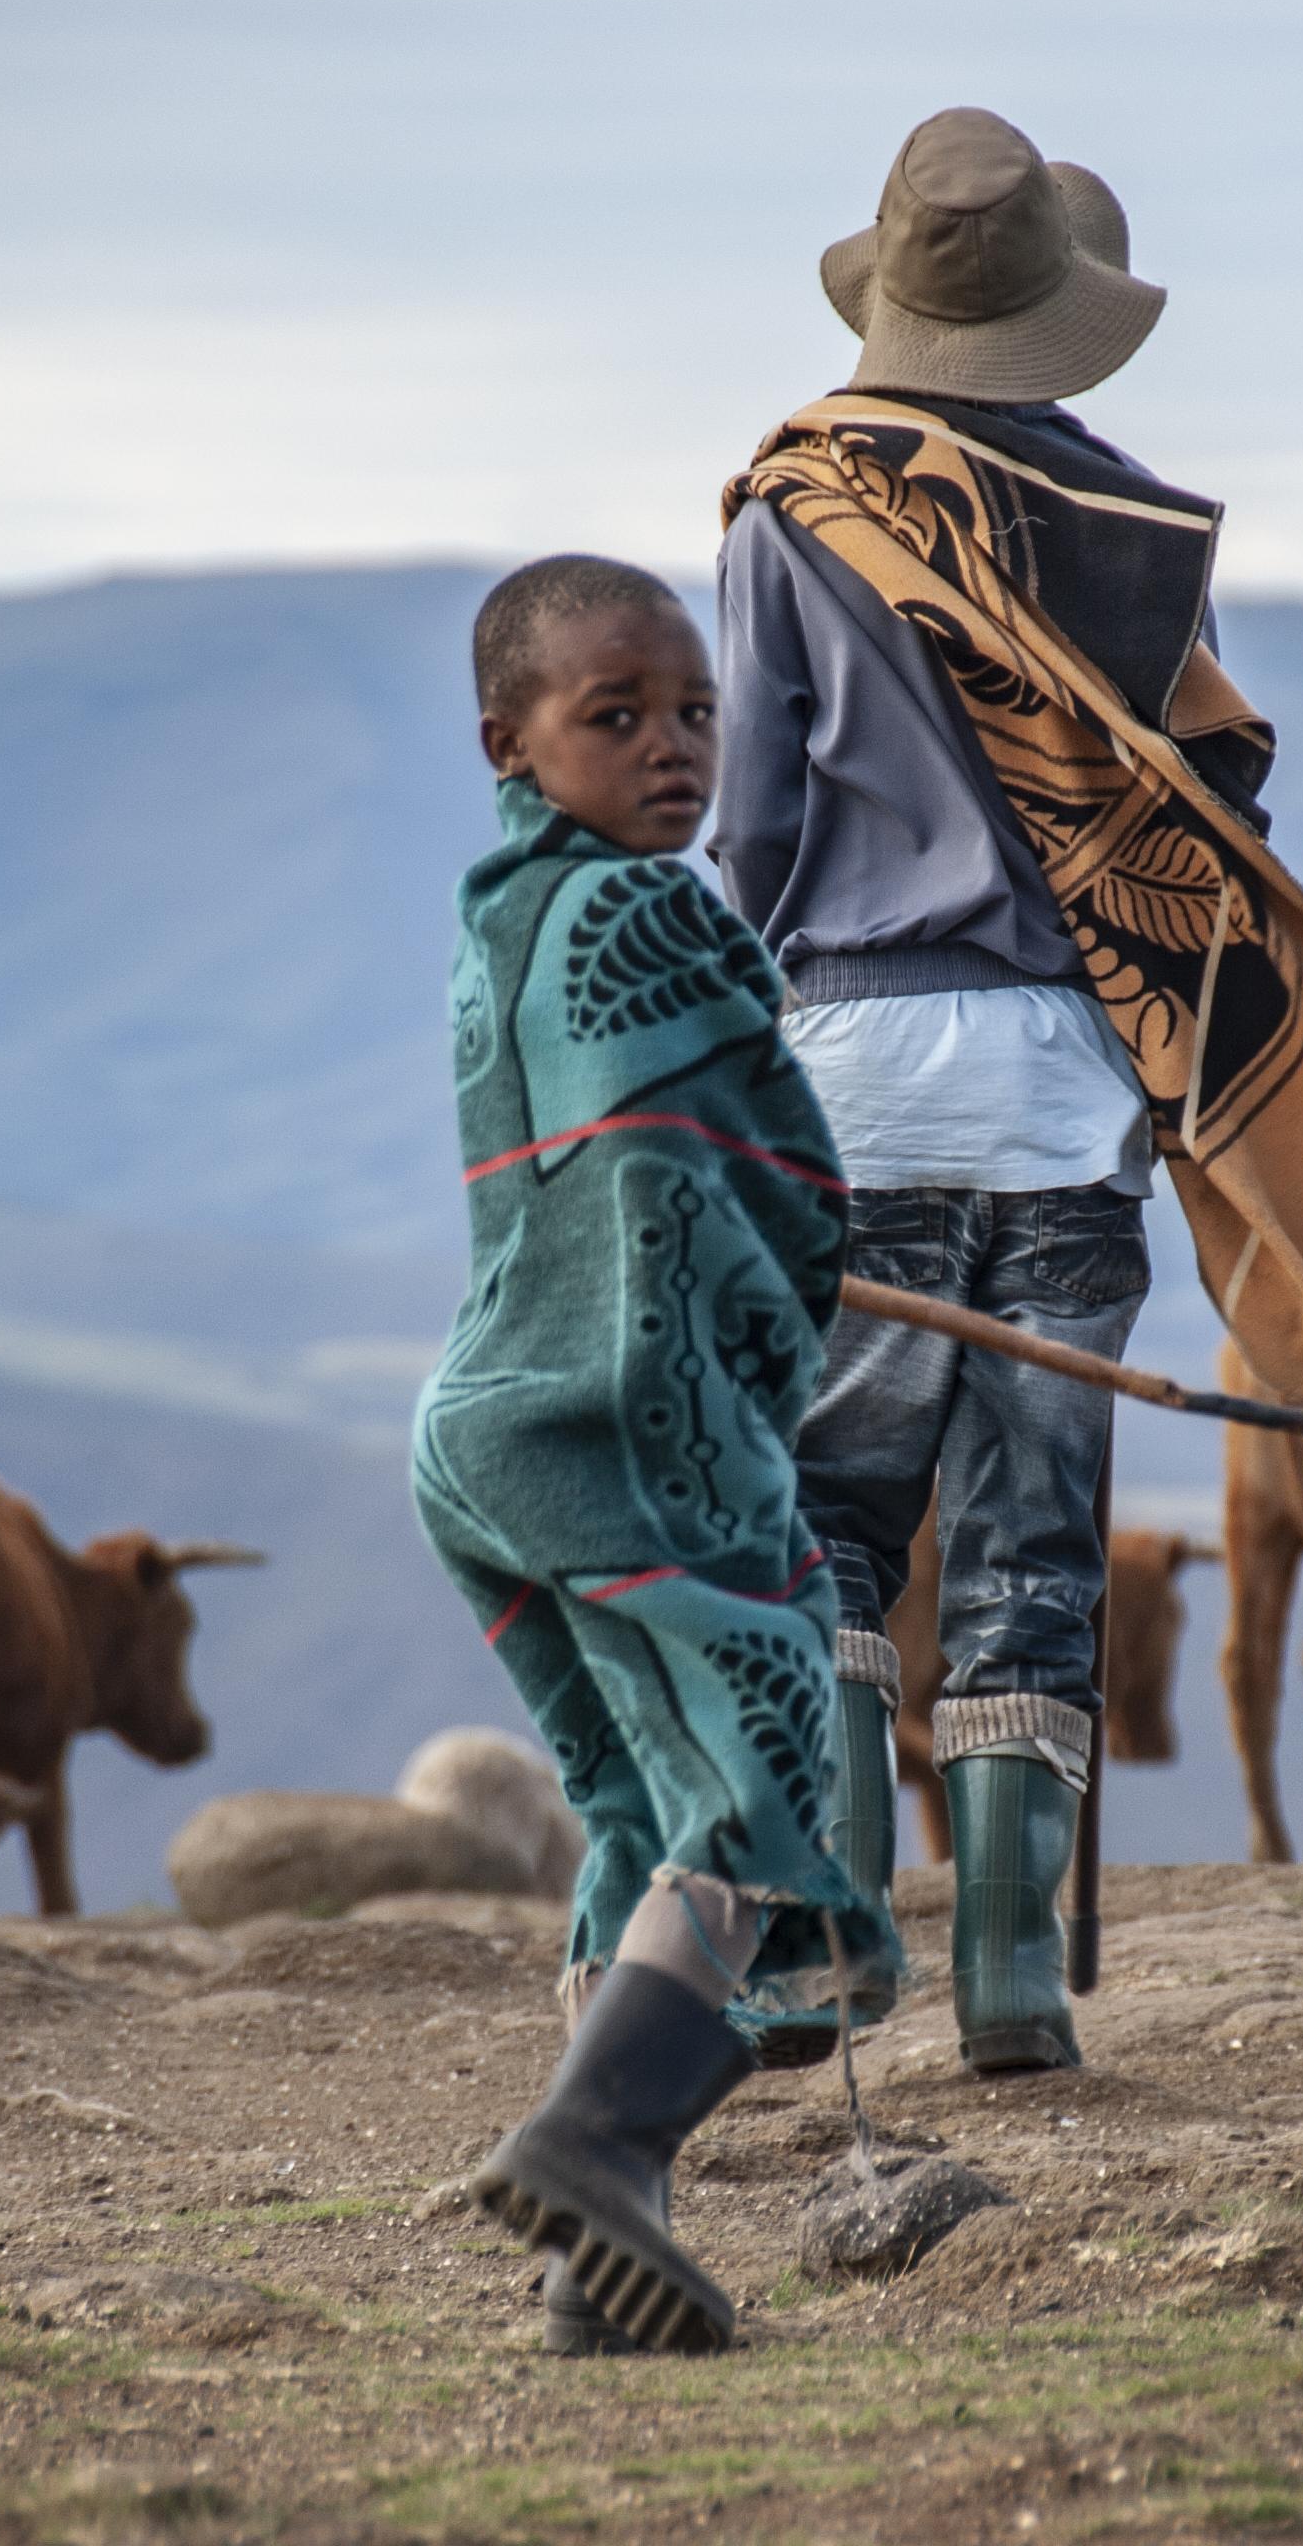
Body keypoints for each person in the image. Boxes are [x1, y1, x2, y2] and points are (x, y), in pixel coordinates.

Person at [714, 109, 1303, 2075]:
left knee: (825, 1520)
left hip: (847, 1065)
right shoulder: (1138, 532)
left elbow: (753, 825)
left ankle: (819, 1945)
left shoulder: (791, 508)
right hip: (1070, 1084)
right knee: (1031, 1534)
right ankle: (1012, 1987)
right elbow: (1208, 800)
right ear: (1053, 307)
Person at [414, 555, 894, 2359]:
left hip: (485, 1425)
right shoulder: (655, 921)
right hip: (619, 1426)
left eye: (693, 711)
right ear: (511, 745)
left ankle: (594, 2280)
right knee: (768, 1786)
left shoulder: (505, 924)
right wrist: (806, 1287)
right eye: (612, 718)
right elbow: (746, 1184)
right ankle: (600, 2139)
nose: (670, 748)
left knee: (638, 1818)